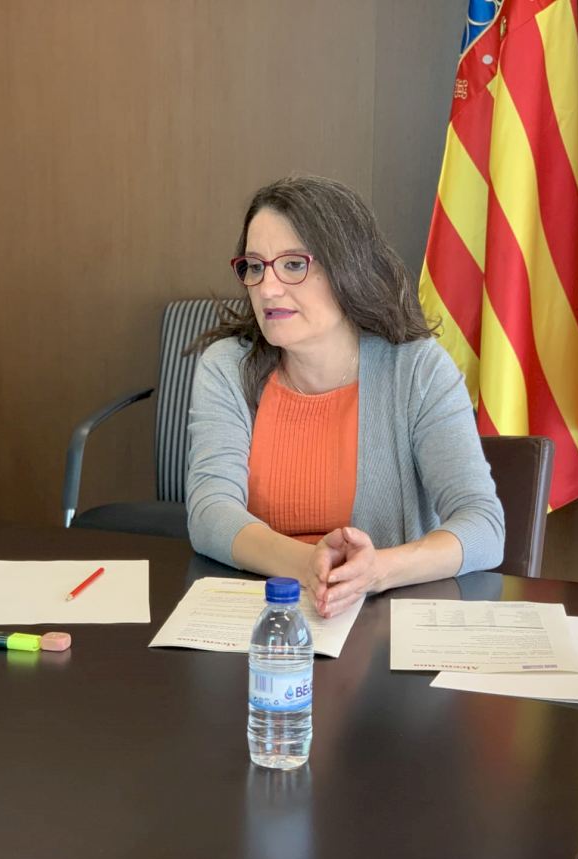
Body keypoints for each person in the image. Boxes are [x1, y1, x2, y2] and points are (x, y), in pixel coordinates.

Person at [186, 174, 503, 618]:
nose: (268, 288)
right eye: (255, 267)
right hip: (260, 618)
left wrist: (376, 571)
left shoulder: (416, 369)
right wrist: (308, 565)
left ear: (347, 268)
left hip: (383, 619)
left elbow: (483, 526)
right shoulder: (226, 366)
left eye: (293, 264)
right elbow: (209, 513)